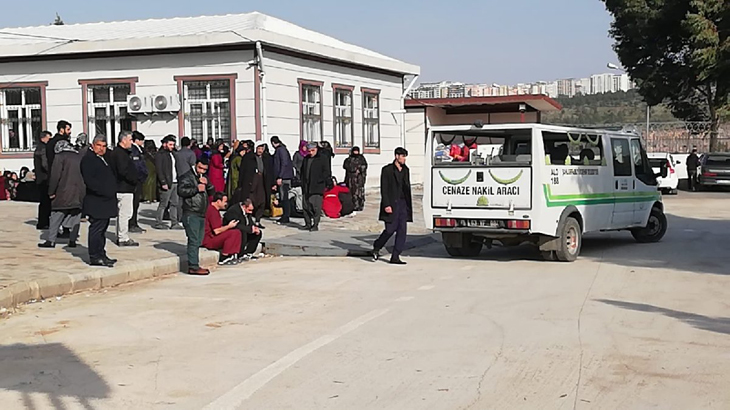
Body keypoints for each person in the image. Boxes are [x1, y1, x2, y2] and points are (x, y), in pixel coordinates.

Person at [38, 139, 85, 249]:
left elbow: (55, 176)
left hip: (63, 191)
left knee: (56, 214)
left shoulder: (60, 157)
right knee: (75, 215)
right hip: (79, 191)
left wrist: (51, 191)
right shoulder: (79, 156)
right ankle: (72, 240)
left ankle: (51, 240)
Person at [80, 135, 118, 267]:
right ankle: (95, 256)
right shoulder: (88, 160)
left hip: (106, 201)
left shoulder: (103, 159)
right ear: (93, 145)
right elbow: (90, 181)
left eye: (104, 146)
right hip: (97, 201)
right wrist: (104, 191)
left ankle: (102, 253)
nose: (101, 149)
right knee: (96, 229)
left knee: (102, 230)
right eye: (99, 146)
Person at [372, 147, 413, 265]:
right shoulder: (387, 170)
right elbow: (384, 189)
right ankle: (377, 245)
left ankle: (395, 256)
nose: (404, 159)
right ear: (397, 156)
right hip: (391, 203)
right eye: (403, 156)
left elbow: (407, 188)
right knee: (390, 229)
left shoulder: (406, 170)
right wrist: (387, 204)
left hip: (403, 203)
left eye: (405, 156)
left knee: (402, 230)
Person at [178, 158, 215, 276]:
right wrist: (196, 189)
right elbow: (181, 191)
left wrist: (207, 185)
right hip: (191, 212)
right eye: (200, 168)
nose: (202, 171)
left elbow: (212, 191)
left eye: (204, 169)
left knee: (199, 240)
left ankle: (194, 263)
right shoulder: (187, 176)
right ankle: (193, 266)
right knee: (193, 239)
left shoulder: (203, 177)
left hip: (201, 213)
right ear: (195, 166)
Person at [108, 131, 140, 247]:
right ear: (124, 140)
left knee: (122, 213)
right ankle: (123, 237)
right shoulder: (120, 154)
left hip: (122, 187)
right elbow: (123, 171)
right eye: (130, 139)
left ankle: (120, 235)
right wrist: (134, 179)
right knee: (125, 214)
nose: (132, 142)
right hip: (124, 187)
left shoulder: (120, 153)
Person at [203, 192, 242, 266]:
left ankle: (233, 254)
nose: (226, 204)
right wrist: (229, 226)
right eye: (225, 202)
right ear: (218, 201)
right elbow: (216, 230)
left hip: (212, 237)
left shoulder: (213, 210)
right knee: (234, 233)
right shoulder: (212, 211)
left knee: (237, 232)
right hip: (209, 239)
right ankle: (224, 256)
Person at [154, 135, 182, 230]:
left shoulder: (173, 154)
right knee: (163, 203)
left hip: (175, 181)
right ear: (164, 144)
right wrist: (163, 182)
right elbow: (159, 170)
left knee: (175, 203)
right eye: (170, 144)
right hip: (166, 182)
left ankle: (174, 222)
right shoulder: (160, 155)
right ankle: (159, 222)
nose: (172, 146)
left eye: (173, 144)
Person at [301, 142, 330, 231]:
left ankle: (315, 224)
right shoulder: (306, 159)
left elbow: (326, 172)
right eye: (309, 151)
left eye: (313, 150)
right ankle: (308, 223)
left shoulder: (322, 159)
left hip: (317, 186)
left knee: (316, 206)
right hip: (306, 186)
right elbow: (302, 171)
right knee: (306, 207)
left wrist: (324, 181)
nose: (311, 153)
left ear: (317, 149)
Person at [238, 140, 267, 225]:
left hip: (262, 182)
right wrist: (241, 183)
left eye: (262, 148)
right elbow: (243, 171)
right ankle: (249, 220)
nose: (260, 150)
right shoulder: (248, 157)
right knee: (250, 200)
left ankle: (258, 220)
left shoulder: (266, 158)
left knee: (262, 201)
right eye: (259, 148)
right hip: (251, 182)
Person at [271, 136, 294, 224]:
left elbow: (284, 164)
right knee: (283, 197)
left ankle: (286, 216)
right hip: (284, 177)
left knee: (284, 197)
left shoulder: (281, 150)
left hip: (284, 178)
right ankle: (285, 215)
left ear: (273, 143)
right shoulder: (282, 149)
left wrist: (280, 176)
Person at [129, 131, 148, 233]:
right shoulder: (134, 150)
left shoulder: (138, 150)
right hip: (136, 180)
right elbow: (137, 166)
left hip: (139, 180)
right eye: (141, 140)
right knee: (134, 203)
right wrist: (141, 176)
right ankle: (132, 223)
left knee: (136, 203)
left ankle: (134, 222)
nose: (142, 142)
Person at [34, 130, 53, 229]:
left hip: (40, 178)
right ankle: (44, 222)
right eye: (49, 138)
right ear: (43, 138)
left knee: (43, 202)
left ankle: (43, 222)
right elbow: (45, 164)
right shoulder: (43, 149)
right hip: (44, 179)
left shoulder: (38, 148)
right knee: (46, 202)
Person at [343, 146, 368, 211]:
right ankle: (353, 205)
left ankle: (360, 205)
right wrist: (353, 169)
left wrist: (359, 169)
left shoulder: (361, 158)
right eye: (354, 151)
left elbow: (364, 166)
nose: (355, 152)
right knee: (352, 192)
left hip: (359, 179)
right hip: (351, 179)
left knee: (359, 192)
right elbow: (346, 166)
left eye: (357, 151)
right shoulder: (349, 159)